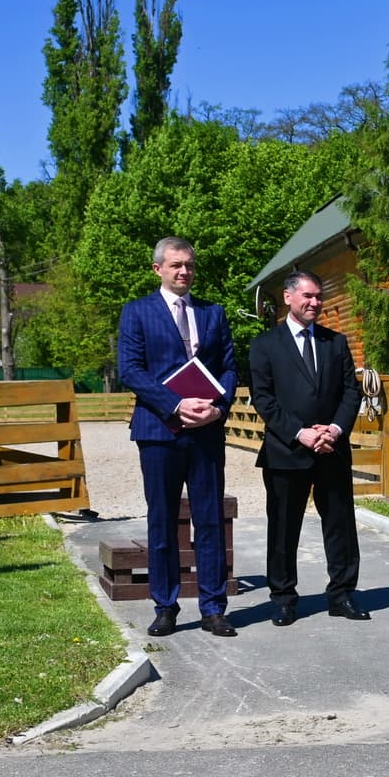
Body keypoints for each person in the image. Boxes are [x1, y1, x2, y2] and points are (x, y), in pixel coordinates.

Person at [117, 236, 238, 638]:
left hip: (206, 432)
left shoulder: (213, 313)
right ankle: (165, 606)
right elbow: (131, 370)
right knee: (163, 521)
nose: (184, 271)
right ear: (158, 269)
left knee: (209, 521)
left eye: (189, 264)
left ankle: (213, 608)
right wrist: (175, 405)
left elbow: (229, 368)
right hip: (158, 431)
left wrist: (219, 407)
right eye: (175, 265)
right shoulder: (137, 313)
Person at [248, 270, 370, 625]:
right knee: (284, 529)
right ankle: (283, 597)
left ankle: (342, 594)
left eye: (319, 297)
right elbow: (264, 399)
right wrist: (300, 433)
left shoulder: (336, 342)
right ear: (288, 297)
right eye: (308, 296)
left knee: (340, 526)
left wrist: (334, 429)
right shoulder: (265, 345)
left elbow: (351, 391)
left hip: (331, 449)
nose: (315, 302)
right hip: (287, 451)